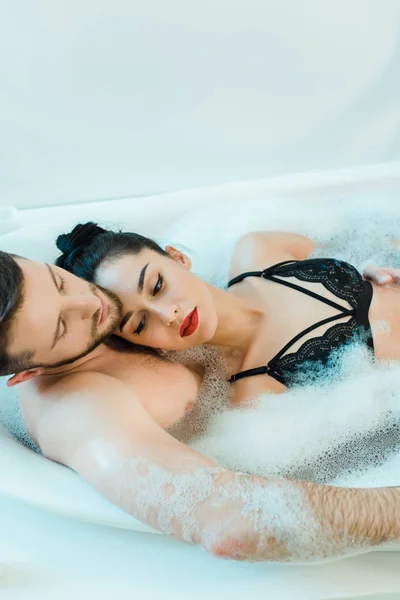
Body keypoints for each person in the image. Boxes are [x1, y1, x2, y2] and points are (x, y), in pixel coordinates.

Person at [0, 246, 399, 563]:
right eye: (62, 326)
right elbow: (233, 521)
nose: (90, 305)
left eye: (60, 283)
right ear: (28, 373)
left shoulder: (99, 300)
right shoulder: (76, 411)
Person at [56, 223, 400, 404]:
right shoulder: (256, 393)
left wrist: (372, 266)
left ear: (177, 257)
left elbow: (370, 238)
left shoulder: (261, 248)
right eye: (141, 323)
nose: (169, 314)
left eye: (157, 285)